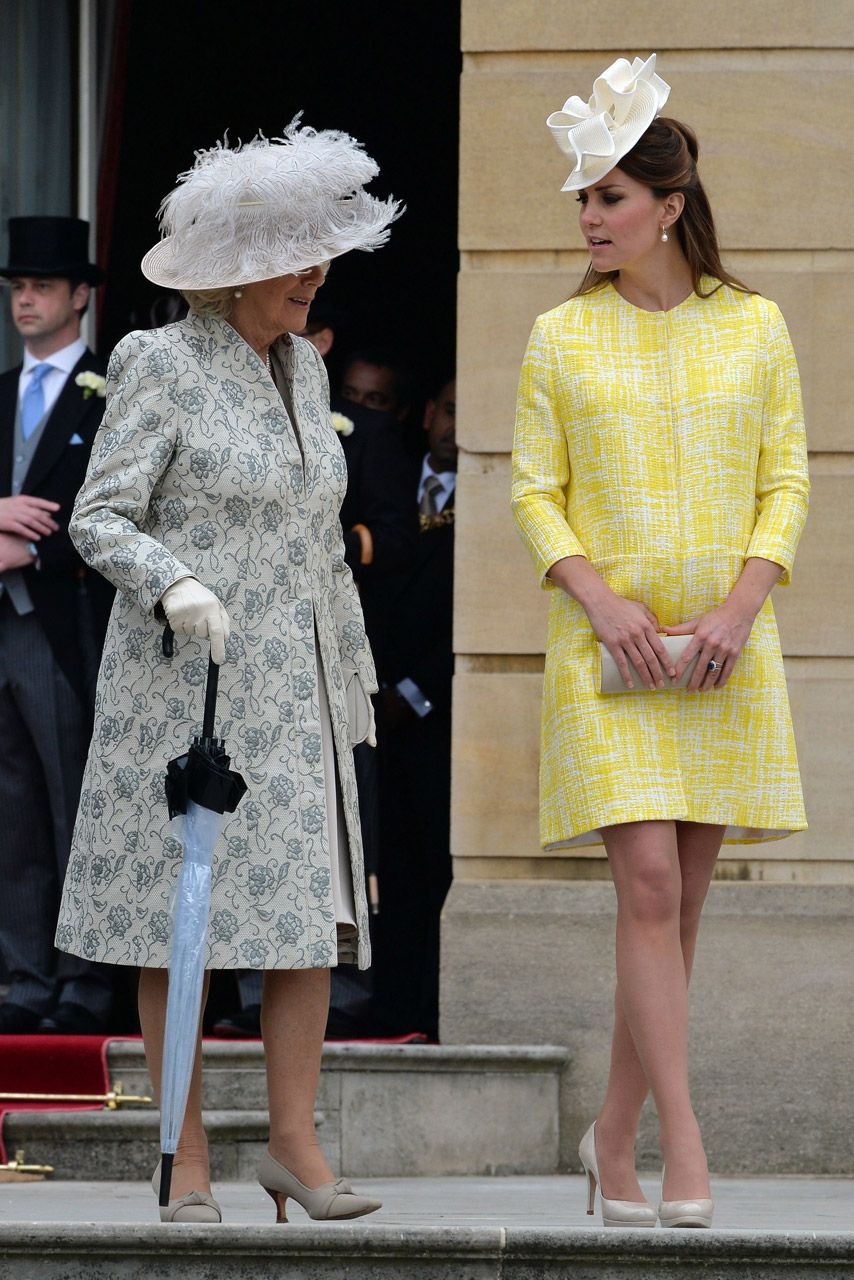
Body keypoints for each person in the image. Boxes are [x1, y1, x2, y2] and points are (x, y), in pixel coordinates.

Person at [55, 122, 400, 1222]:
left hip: (296, 689)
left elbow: (316, 534)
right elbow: (97, 516)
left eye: (318, 253)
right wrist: (172, 580)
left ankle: (294, 1145)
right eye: (291, 253)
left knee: (305, 917)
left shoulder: (306, 368)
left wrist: (349, 672)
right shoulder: (158, 361)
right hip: (185, 689)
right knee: (183, 921)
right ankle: (183, 1154)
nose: (312, 273)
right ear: (231, 267)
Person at [511, 55, 808, 1230]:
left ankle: (610, 1138)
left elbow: (785, 480)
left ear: (668, 207)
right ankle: (684, 1143)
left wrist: (738, 606)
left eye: (607, 197)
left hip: (726, 652)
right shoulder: (554, 337)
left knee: (676, 910)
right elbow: (535, 493)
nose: (587, 218)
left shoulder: (758, 326)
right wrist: (602, 601)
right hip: (608, 651)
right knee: (640, 881)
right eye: (581, 199)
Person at [0, 216, 114, 1035]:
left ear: (80, 295)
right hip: (5, 626)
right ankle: (25, 972)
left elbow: (114, 508)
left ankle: (84, 976)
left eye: (42, 285)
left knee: (74, 803)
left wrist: (27, 542)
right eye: (17, 287)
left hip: (62, 626)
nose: (25, 299)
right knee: (12, 816)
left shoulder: (111, 390)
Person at [373, 377, 456, 1037]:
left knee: (434, 860)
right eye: (451, 408)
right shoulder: (388, 477)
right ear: (427, 412)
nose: (459, 426)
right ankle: (389, 1005)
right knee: (386, 860)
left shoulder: (496, 493)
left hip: (441, 714)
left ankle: (429, 1008)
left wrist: (412, 694)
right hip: (367, 696)